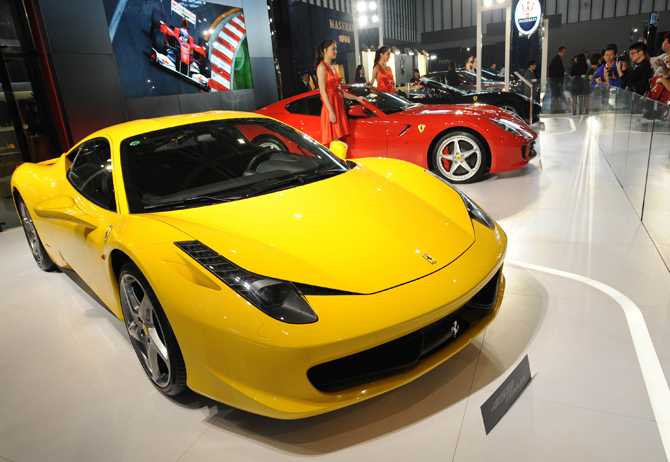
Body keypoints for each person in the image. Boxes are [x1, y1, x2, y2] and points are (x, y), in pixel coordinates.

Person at [315, 39, 365, 146]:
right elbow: (323, 92)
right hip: (330, 106)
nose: (335, 51)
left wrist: (356, 98)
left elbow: (340, 91)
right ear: (325, 51)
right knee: (334, 141)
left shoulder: (333, 68)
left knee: (338, 140)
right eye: (333, 49)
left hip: (338, 104)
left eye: (336, 49)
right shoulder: (321, 67)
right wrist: (331, 111)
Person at [548, 46, 568, 111]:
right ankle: (557, 107)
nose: (564, 54)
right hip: (556, 81)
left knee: (556, 94)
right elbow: (558, 72)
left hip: (555, 81)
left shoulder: (556, 59)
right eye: (563, 52)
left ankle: (557, 107)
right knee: (556, 94)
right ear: (559, 52)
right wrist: (559, 82)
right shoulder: (557, 60)